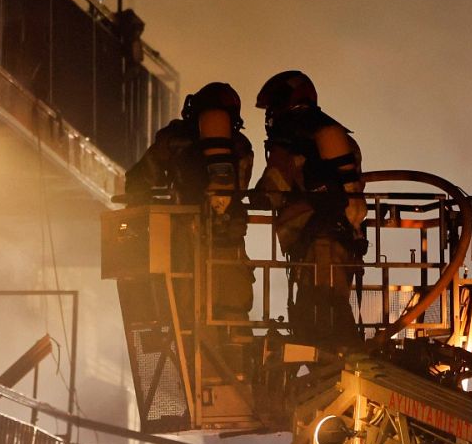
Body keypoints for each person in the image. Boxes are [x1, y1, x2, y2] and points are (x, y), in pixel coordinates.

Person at [250, 71, 365, 346]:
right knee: (331, 303)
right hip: (345, 240)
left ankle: (341, 367)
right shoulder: (342, 139)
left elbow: (272, 189)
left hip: (315, 242)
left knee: (321, 312)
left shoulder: (290, 139)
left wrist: (254, 198)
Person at [125, 82, 257, 318]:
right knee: (232, 307)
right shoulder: (241, 145)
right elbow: (242, 185)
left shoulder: (172, 139)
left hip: (183, 233)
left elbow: (140, 177)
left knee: (183, 305)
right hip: (229, 237)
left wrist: (138, 205)